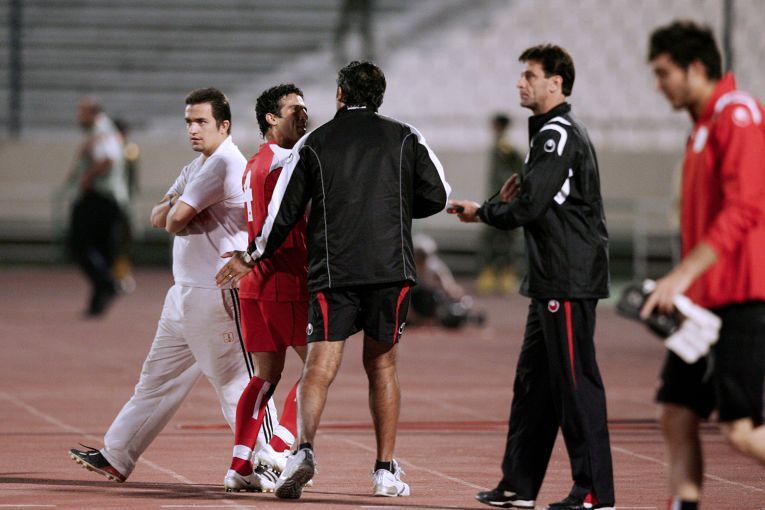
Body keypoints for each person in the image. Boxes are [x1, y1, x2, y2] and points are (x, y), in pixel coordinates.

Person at [219, 61, 451, 499]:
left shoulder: (315, 142)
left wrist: (252, 254)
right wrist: (394, 209)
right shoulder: (406, 136)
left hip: (333, 269)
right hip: (390, 267)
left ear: (341, 94)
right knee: (382, 365)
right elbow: (438, 194)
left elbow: (283, 212)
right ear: (380, 96)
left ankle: (302, 451)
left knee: (318, 367)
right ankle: (384, 471)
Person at [68, 88, 277, 486]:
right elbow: (157, 217)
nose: (193, 129)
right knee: (156, 381)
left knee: (235, 382)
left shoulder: (223, 164)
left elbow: (175, 219)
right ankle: (117, 454)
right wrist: (178, 211)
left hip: (215, 293)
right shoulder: (197, 165)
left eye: (201, 122)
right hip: (184, 293)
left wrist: (179, 211)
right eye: (188, 122)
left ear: (224, 125)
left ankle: (269, 461)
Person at [449, 44, 614, 510]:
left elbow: (529, 207)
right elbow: (535, 197)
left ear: (556, 83)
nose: (520, 83)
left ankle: (594, 490)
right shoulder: (548, 134)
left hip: (567, 277)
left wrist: (485, 212)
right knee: (533, 384)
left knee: (575, 383)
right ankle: (519, 485)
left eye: (530, 75)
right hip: (550, 278)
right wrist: (501, 202)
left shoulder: (557, 134)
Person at [642, 20, 765, 510]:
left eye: (663, 73)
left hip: (743, 298)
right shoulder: (702, 126)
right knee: (675, 411)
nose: (658, 85)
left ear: (695, 67)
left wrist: (680, 276)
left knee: (741, 430)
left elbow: (745, 207)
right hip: (705, 304)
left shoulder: (737, 114)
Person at [216, 84, 311, 493]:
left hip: (255, 284)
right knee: (319, 367)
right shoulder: (290, 161)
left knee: (265, 377)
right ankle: (278, 447)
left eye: (305, 108)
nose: (303, 115)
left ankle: (240, 466)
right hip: (287, 280)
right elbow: (297, 221)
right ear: (271, 119)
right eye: (294, 109)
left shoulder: (254, 163)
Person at [66, 97, 129, 316]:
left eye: (82, 112)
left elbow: (108, 159)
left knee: (78, 245)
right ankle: (98, 301)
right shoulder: (102, 130)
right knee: (101, 250)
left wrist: (87, 177)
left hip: (100, 197)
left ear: (93, 113)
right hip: (106, 198)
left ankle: (108, 284)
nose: (78, 117)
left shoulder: (102, 131)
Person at [476, 114, 524, 295]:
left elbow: (520, 167)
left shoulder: (505, 146)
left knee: (503, 239)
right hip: (498, 201)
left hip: (503, 202)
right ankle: (493, 275)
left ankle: (504, 275)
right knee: (495, 238)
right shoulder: (499, 144)